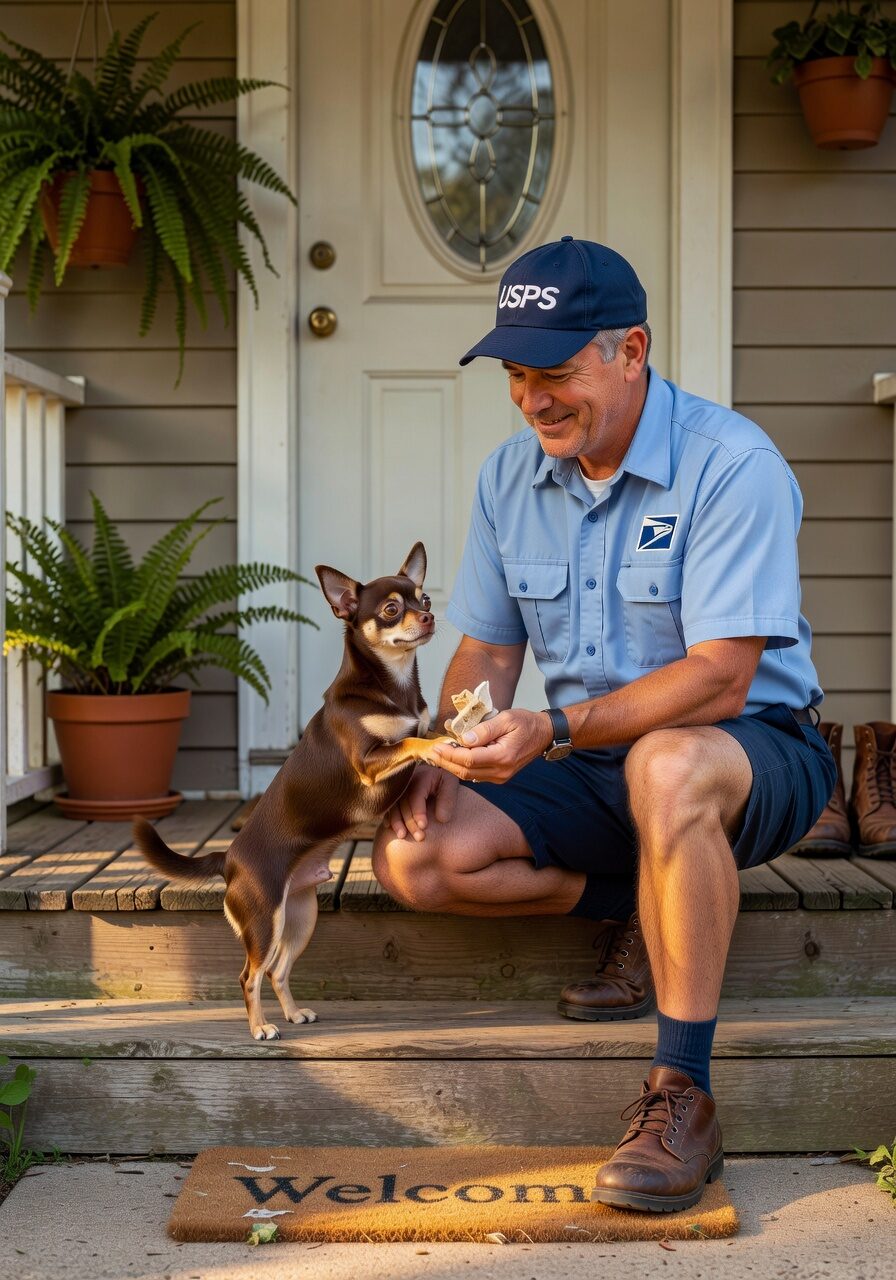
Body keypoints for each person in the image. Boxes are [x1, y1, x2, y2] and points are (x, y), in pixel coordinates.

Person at [372, 236, 837, 1213]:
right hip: (586, 752)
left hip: (750, 750)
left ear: (630, 349)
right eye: (514, 374)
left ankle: (681, 1094)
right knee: (415, 855)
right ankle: (651, 892)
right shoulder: (510, 478)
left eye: (554, 371)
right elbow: (489, 651)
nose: (531, 396)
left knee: (666, 765)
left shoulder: (728, 464)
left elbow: (719, 677)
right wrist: (448, 743)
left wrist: (555, 725)